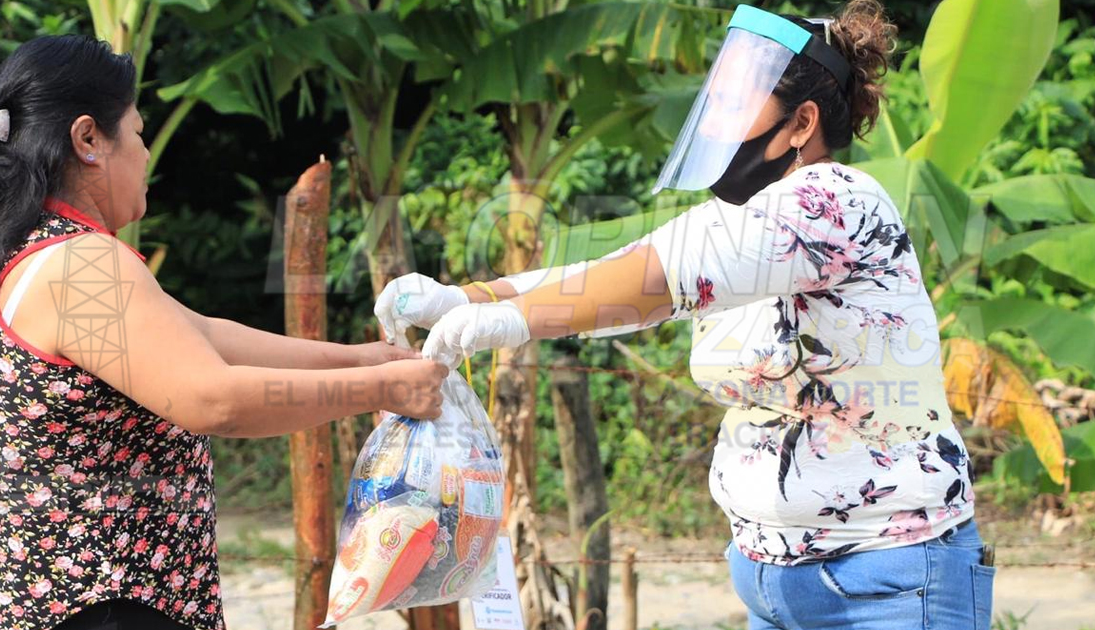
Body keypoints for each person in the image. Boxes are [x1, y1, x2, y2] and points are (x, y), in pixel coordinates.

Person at [376, 2, 995, 629]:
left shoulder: (835, 200)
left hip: (887, 580)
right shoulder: (740, 216)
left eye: (736, 103)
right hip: (771, 578)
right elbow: (619, 269)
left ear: (802, 122)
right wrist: (471, 298)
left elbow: (656, 280)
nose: (717, 122)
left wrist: (516, 321)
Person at [0, 35, 447, 630]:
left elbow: (202, 334)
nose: (147, 154)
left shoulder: (19, 249)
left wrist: (360, 361)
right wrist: (382, 392)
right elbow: (212, 398)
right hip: (102, 609)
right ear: (89, 139)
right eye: (139, 132)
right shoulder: (79, 266)